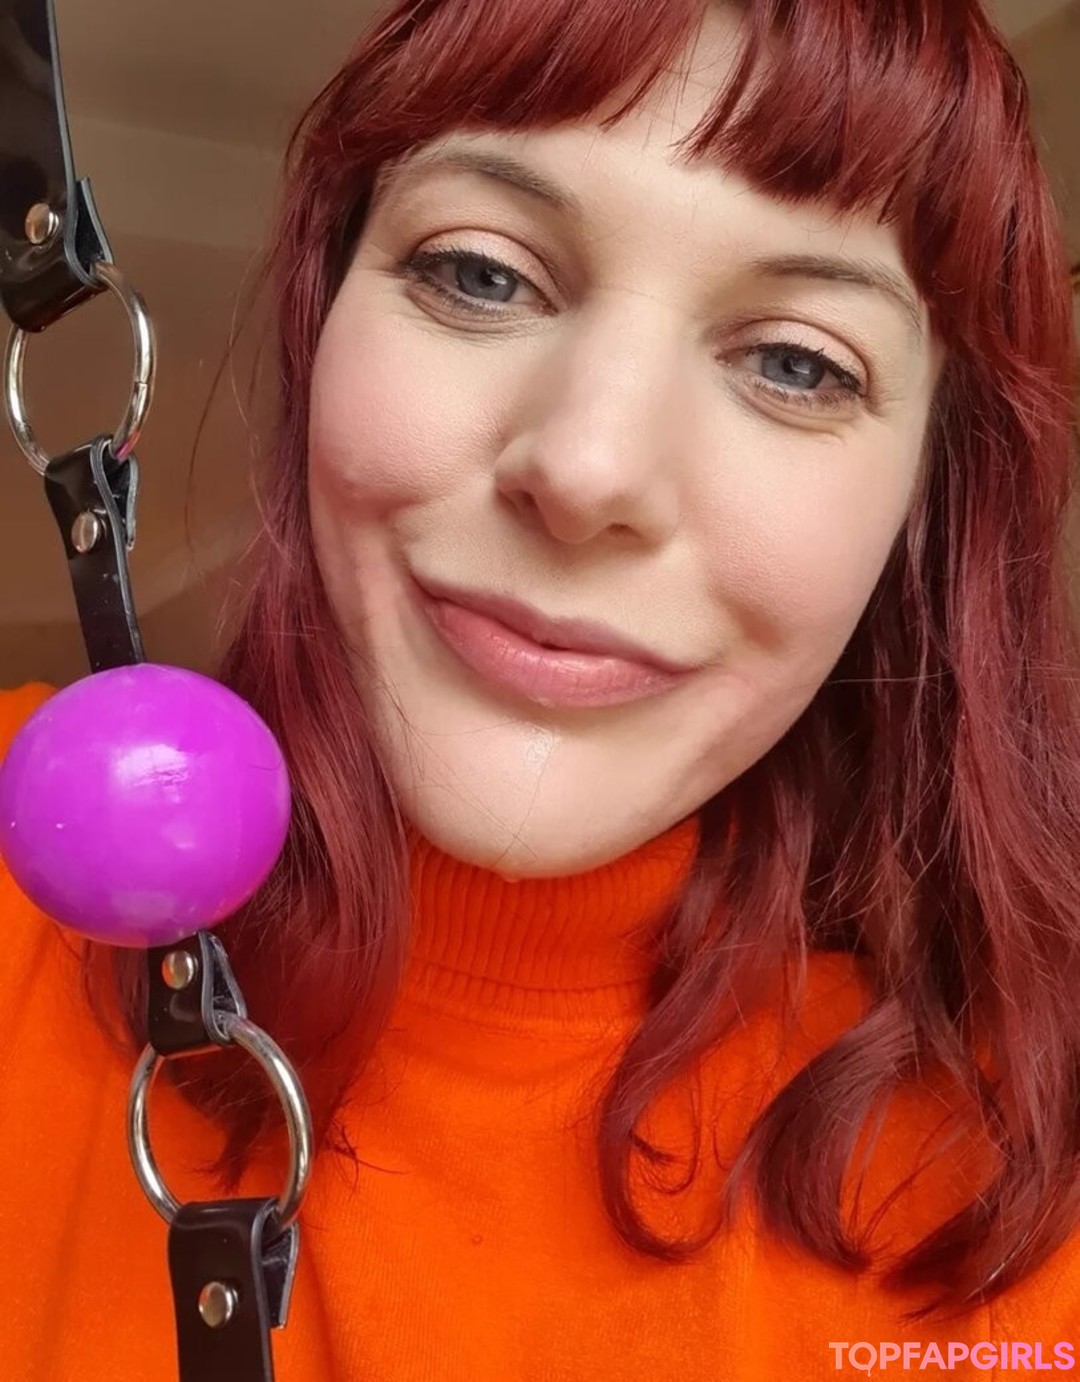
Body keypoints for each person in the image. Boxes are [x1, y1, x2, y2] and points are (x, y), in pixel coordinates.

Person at [2, 0, 1079, 1376]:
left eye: (797, 363)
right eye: (482, 274)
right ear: (322, 319)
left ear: (925, 505)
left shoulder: (1022, 1239)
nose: (585, 472)